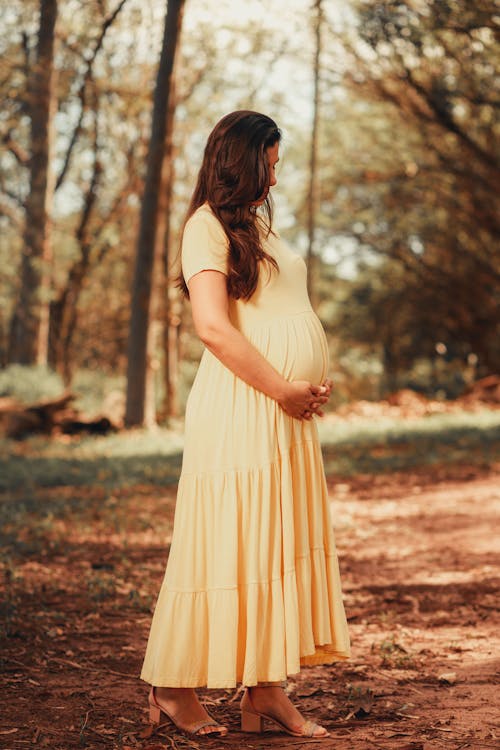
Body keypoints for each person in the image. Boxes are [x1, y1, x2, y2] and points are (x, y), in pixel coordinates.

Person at [140, 110, 350, 739]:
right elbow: (211, 326)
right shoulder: (205, 226)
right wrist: (283, 386)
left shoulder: (257, 225)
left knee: (276, 541)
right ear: (242, 160)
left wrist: (303, 384)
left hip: (280, 411)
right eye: (270, 163)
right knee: (227, 539)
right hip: (242, 408)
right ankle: (173, 688)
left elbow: (279, 309)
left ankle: (265, 693)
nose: (276, 177)